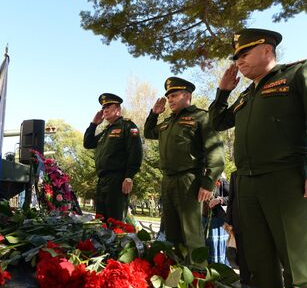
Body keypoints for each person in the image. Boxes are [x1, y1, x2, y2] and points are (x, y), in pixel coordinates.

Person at [210, 28, 307, 288]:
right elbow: (217, 122)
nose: (238, 62)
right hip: (247, 183)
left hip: (284, 178)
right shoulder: (247, 94)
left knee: (297, 265)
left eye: (244, 54)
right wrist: (223, 92)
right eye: (236, 57)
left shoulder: (298, 74)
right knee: (257, 264)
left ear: (267, 50)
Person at [144, 77, 225, 264]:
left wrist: (208, 182)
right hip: (168, 181)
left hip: (190, 181)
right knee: (172, 235)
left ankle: (198, 278)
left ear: (187, 95)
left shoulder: (201, 117)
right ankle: (176, 277)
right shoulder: (167, 122)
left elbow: (216, 152)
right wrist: (154, 114)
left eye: (174, 95)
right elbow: (149, 133)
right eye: (168, 96)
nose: (170, 99)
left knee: (192, 235)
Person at [83, 93, 143, 222]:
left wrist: (129, 176)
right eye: (103, 107)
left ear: (118, 109)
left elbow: (135, 152)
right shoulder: (106, 131)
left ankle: (117, 243)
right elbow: (88, 143)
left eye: (109, 106)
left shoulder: (127, 126)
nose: (105, 110)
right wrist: (94, 124)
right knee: (101, 222)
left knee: (115, 221)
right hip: (102, 181)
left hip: (118, 180)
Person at [224, 171, 251, 284]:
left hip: (254, 220)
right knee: (242, 255)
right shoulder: (235, 175)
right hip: (238, 221)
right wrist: (228, 221)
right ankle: (244, 282)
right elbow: (231, 199)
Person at [204, 173, 230, 265]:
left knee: (216, 250)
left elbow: (232, 197)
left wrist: (219, 200)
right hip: (201, 221)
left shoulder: (221, 181)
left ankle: (219, 273)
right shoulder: (199, 181)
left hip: (217, 222)